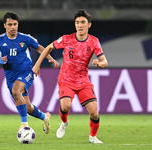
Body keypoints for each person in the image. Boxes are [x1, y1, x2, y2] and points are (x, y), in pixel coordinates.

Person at [32, 9, 108, 143]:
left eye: (83, 22)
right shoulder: (67, 39)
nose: (80, 25)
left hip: (83, 80)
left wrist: (100, 64)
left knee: (94, 113)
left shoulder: (94, 41)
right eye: (77, 22)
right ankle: (64, 122)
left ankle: (92, 137)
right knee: (65, 106)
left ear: (89, 25)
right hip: (66, 79)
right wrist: (37, 64)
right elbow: (49, 47)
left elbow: (104, 61)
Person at [0, 12, 59, 134]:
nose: (13, 27)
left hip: (26, 72)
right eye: (10, 24)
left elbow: (40, 48)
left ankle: (24, 125)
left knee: (16, 91)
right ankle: (45, 117)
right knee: (27, 107)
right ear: (4, 25)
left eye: (15, 24)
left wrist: (50, 58)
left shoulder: (25, 38)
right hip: (11, 77)